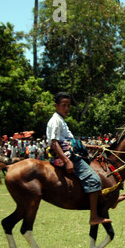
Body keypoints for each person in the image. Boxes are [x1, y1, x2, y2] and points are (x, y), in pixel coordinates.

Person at [46, 92, 111, 225]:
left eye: (68, 105)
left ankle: (110, 200)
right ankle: (94, 217)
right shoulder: (55, 120)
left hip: (72, 153)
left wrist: (93, 147)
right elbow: (54, 142)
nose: (66, 108)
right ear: (56, 105)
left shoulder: (61, 120)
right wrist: (67, 161)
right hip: (67, 156)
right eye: (63, 105)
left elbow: (72, 142)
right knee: (94, 179)